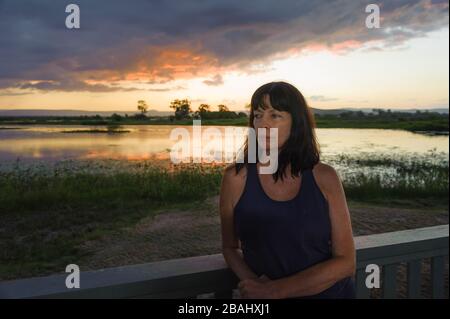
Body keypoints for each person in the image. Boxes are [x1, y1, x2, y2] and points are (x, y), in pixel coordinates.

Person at [219, 81, 356, 299]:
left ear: (296, 123)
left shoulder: (324, 177)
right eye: (257, 115)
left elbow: (346, 262)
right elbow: (229, 247)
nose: (262, 124)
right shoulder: (236, 178)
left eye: (274, 116)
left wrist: (274, 290)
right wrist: (254, 285)